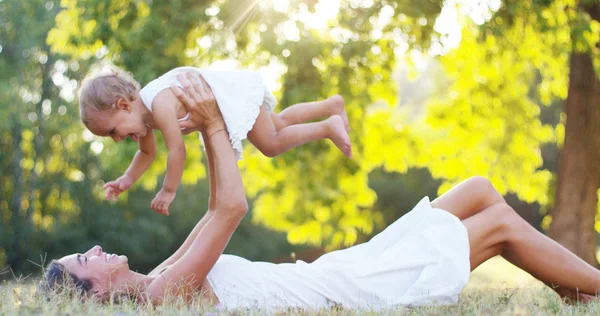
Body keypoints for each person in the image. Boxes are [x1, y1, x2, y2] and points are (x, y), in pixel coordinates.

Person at [44, 73, 600, 311]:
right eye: (84, 262)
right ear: (89, 294)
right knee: (498, 224)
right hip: (351, 289)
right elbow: (233, 209)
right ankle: (593, 289)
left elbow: (214, 208)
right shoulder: (161, 298)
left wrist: (214, 122)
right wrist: (213, 124)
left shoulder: (163, 275)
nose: (94, 251)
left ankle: (573, 293)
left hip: (334, 269)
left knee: (479, 189)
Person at [78, 66, 352, 215]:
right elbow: (146, 154)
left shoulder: (158, 105)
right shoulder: (145, 120)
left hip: (226, 94)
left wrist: (168, 190)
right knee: (277, 123)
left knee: (271, 143)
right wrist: (126, 180)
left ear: (124, 105)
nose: (115, 140)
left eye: (112, 131)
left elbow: (177, 151)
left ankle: (327, 127)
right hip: (221, 96)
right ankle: (331, 104)